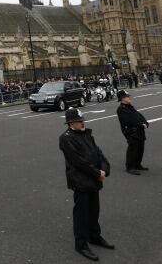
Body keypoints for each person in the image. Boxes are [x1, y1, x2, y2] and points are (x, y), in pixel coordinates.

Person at [59, 108, 113, 261]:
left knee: (94, 210)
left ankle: (94, 236)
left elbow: (98, 152)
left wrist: (104, 169)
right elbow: (78, 162)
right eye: (79, 120)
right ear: (71, 123)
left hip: (93, 179)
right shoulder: (66, 138)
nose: (83, 122)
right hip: (80, 181)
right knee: (81, 214)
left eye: (82, 120)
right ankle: (81, 243)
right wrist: (97, 173)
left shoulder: (87, 134)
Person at [116, 90, 149, 175]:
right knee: (133, 149)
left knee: (140, 148)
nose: (129, 97)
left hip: (139, 130)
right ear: (122, 98)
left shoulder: (130, 106)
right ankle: (130, 167)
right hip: (131, 131)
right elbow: (129, 121)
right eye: (127, 96)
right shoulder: (121, 109)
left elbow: (139, 115)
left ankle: (137, 164)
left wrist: (145, 122)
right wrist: (141, 125)